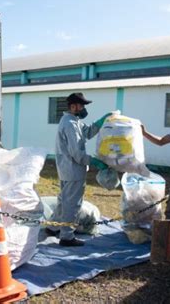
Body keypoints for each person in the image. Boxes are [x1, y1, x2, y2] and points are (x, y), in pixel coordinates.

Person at [46, 92, 110, 247]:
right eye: (81, 105)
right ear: (73, 106)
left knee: (64, 200)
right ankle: (66, 236)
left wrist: (100, 123)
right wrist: (94, 161)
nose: (83, 109)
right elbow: (77, 154)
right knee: (72, 203)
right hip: (73, 169)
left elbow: (86, 133)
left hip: (67, 168)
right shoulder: (70, 124)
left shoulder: (73, 121)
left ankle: (53, 226)